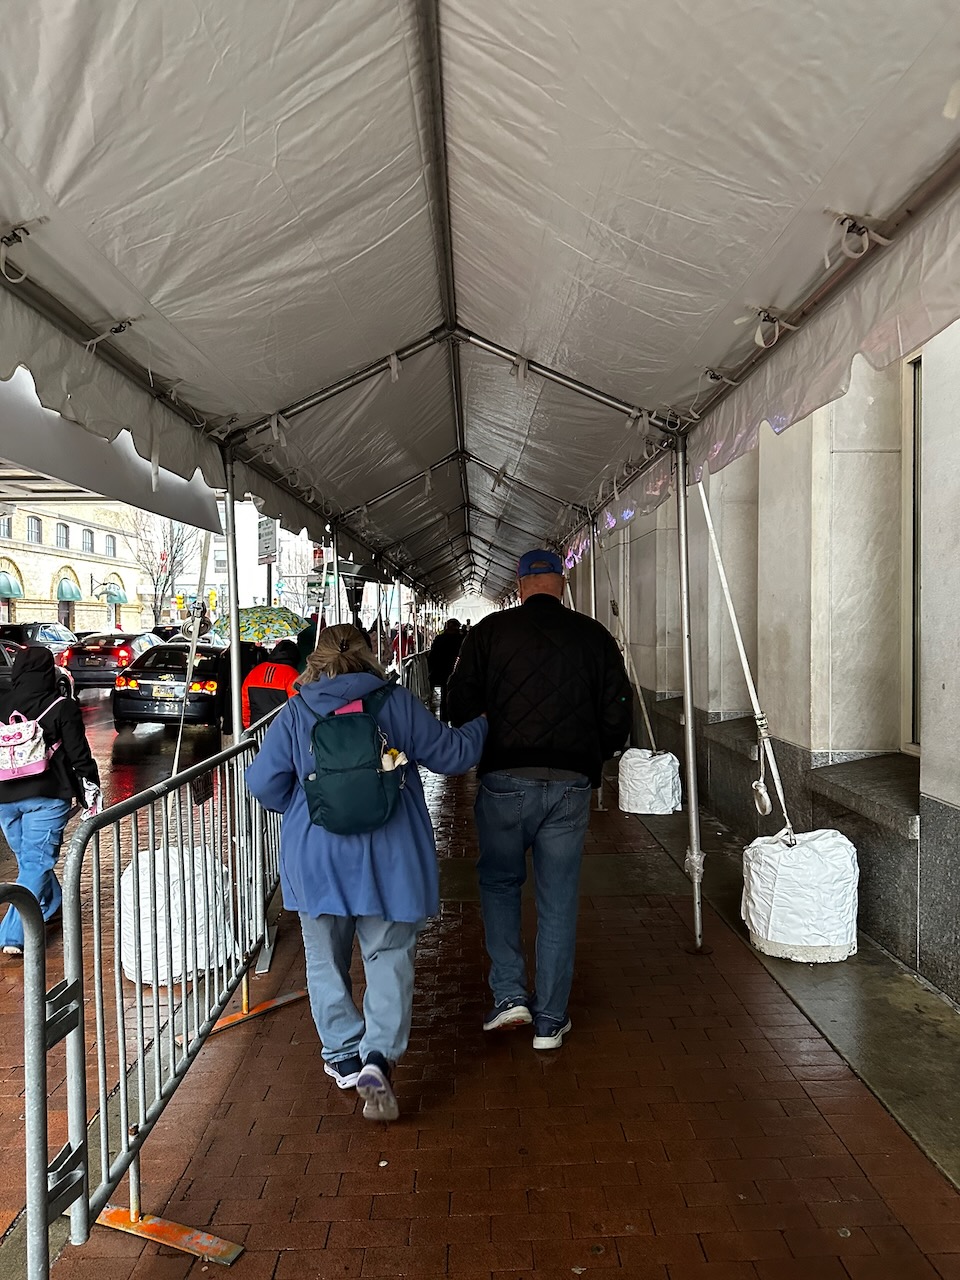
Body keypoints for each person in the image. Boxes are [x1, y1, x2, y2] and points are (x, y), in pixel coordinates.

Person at [245, 624, 487, 1121]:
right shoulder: (395, 702)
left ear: (316, 660)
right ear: (370, 655)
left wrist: (307, 802)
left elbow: (263, 784)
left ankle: (343, 1057)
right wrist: (486, 723)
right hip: (390, 856)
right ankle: (378, 1056)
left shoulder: (297, 710)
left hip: (317, 857)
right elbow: (453, 755)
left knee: (325, 961)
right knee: (389, 955)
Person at [448, 548, 631, 1050]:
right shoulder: (595, 636)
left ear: (520, 585)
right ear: (562, 584)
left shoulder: (489, 632)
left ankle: (510, 994)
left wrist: (491, 733)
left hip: (504, 780)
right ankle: (550, 1019)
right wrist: (596, 752)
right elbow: (619, 707)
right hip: (571, 782)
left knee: (500, 884)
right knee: (558, 898)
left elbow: (458, 702)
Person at [0, 647, 101, 957]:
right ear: (49, 671)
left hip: (5, 798)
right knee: (34, 863)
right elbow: (79, 755)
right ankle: (13, 934)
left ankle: (50, 904)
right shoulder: (61, 706)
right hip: (48, 795)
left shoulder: (2, 702)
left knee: (30, 861)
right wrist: (90, 792)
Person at [241, 639, 300, 728]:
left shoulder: (254, 672)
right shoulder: (292, 674)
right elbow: (297, 706)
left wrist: (248, 726)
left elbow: (245, 705)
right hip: (282, 729)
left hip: (257, 729)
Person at [427, 619, 463, 722]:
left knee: (444, 695)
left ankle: (444, 718)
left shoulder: (440, 639)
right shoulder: (461, 639)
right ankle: (455, 717)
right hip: (456, 671)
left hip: (442, 671)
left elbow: (432, 656)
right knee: (457, 694)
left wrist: (432, 670)